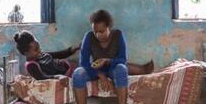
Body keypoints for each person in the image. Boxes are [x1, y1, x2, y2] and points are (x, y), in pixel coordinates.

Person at [71, 10, 133, 104]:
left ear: (109, 27)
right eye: (95, 31)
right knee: (78, 73)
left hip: (112, 68)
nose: (98, 35)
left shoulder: (118, 35)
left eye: (102, 31)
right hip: (95, 71)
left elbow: (122, 59)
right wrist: (100, 75)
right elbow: (83, 62)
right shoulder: (88, 37)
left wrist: (107, 61)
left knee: (121, 69)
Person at [13, 30, 154, 81]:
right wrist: (57, 76)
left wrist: (73, 49)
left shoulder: (41, 55)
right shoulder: (31, 65)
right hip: (71, 73)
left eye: (39, 46)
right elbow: (42, 78)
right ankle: (141, 70)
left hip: (71, 66)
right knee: (103, 66)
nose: (40, 50)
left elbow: (59, 54)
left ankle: (141, 70)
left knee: (104, 64)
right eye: (36, 49)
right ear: (26, 53)